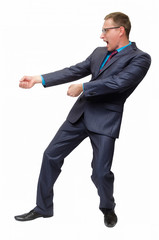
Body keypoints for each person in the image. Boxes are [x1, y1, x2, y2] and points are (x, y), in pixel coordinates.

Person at [15, 12, 151, 227]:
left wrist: (84, 86)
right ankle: (43, 208)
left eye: (105, 30)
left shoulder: (140, 58)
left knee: (100, 172)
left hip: (105, 120)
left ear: (120, 30)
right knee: (50, 156)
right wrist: (38, 79)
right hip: (79, 115)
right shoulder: (98, 53)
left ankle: (107, 207)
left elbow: (119, 83)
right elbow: (74, 70)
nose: (102, 35)